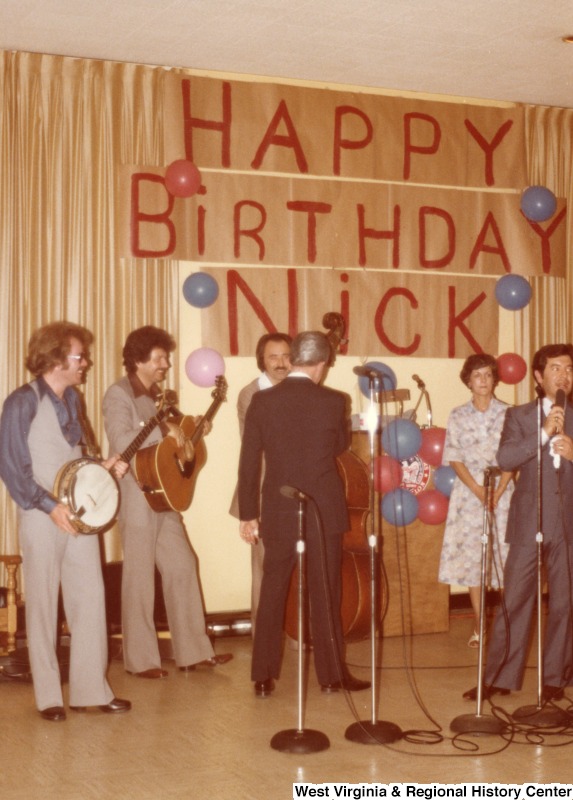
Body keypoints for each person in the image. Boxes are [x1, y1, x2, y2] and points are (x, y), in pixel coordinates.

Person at [0, 322, 131, 721]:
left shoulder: (73, 399)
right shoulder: (21, 401)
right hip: (43, 515)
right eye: (79, 356)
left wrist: (103, 467)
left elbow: (79, 455)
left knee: (90, 598)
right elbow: (11, 465)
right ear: (56, 358)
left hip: (80, 513)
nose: (85, 363)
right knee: (42, 605)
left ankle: (91, 690)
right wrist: (47, 505)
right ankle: (49, 697)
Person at [238, 330, 370, 697]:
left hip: (277, 506)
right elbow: (340, 445)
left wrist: (248, 514)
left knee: (273, 589)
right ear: (322, 364)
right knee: (325, 591)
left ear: (293, 358)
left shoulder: (262, 401)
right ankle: (331, 676)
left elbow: (248, 463)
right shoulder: (333, 400)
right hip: (321, 507)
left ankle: (263, 676)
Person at [102, 326, 232, 679]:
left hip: (162, 495)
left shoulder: (158, 394)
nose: (166, 364)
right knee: (139, 576)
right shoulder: (119, 394)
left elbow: (172, 443)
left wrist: (191, 433)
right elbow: (122, 440)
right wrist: (164, 429)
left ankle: (193, 651)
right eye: (159, 358)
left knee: (182, 565)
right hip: (135, 493)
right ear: (139, 360)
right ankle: (141, 660)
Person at [464, 344, 573, 704]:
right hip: (529, 520)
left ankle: (555, 678)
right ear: (539, 377)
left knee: (564, 603)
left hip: (569, 523)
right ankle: (499, 676)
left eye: (569, 369)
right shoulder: (520, 416)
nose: (564, 375)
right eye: (555, 368)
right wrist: (542, 434)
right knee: (515, 600)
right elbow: (506, 456)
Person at [438, 353, 514, 648]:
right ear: (468, 381)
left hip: (503, 494)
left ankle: (507, 625)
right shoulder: (457, 415)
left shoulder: (509, 413)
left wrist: (498, 490)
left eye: (488, 374)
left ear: (495, 379)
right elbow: (454, 456)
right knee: (474, 559)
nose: (483, 380)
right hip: (469, 497)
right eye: (477, 375)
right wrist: (478, 491)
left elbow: (514, 457)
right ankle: (480, 625)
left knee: (505, 557)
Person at [229, 332, 292, 634]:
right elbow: (257, 452)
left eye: (286, 356)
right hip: (264, 493)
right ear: (262, 361)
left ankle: (296, 636)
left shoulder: (301, 390)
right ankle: (264, 640)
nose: (281, 363)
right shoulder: (250, 394)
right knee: (265, 571)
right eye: (273, 357)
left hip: (297, 493)